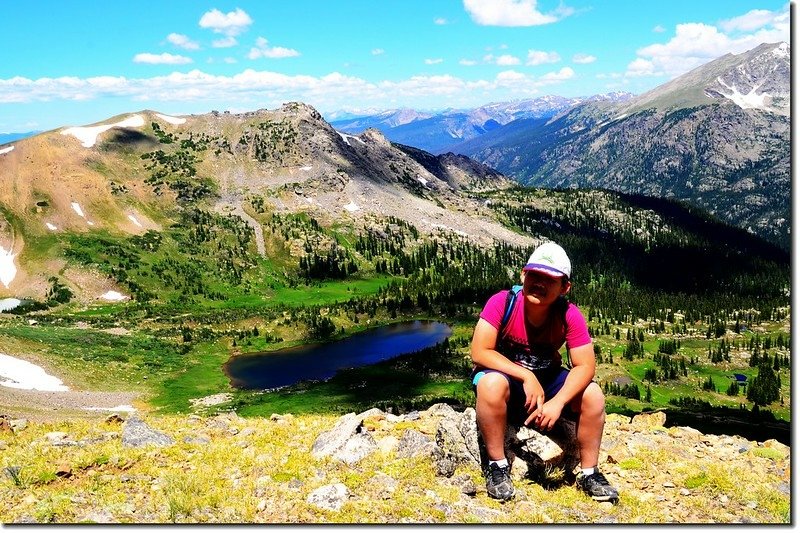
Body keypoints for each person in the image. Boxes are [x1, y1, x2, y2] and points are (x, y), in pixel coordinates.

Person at [470, 241, 619, 502]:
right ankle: (497, 466)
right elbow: (480, 352)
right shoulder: (502, 302)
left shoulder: (569, 315)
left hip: (548, 382)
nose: (539, 283)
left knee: (593, 395)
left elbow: (585, 366)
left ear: (565, 287)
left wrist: (557, 402)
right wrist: (526, 376)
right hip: (509, 383)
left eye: (550, 279)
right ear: (523, 275)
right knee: (490, 384)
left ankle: (589, 473)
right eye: (534, 275)